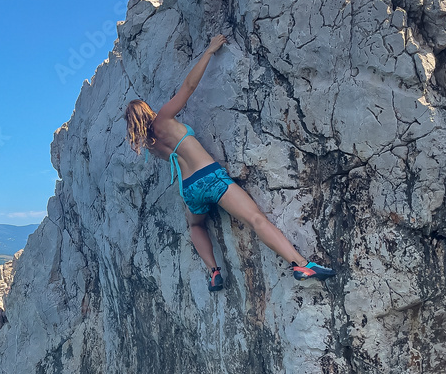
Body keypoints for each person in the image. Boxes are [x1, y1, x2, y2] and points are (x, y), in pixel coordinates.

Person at [124, 33, 335, 292]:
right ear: (147, 111)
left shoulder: (150, 145)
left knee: (195, 225)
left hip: (189, 190)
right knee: (256, 220)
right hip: (211, 178)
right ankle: (300, 264)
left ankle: (214, 272)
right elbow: (188, 87)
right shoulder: (164, 118)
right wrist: (209, 51)